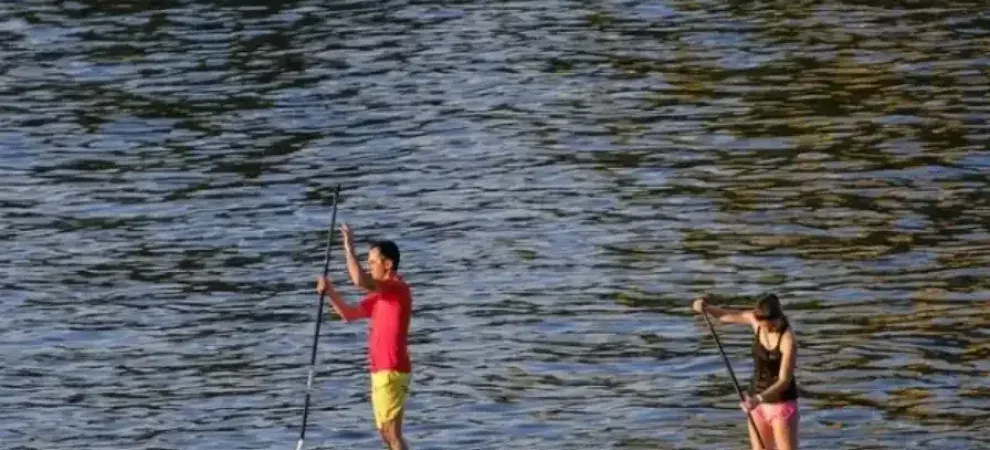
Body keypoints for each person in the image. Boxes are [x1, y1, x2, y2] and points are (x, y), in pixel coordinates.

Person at [316, 223, 413, 450]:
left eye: (372, 262)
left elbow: (359, 281)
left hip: (392, 368)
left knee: (393, 432)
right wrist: (330, 291)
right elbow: (348, 314)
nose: (369, 268)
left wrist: (348, 248)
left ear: (387, 264)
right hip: (379, 370)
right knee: (385, 433)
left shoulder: (396, 288)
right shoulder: (381, 296)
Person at [692, 293, 799, 450]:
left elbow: (784, 380)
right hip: (756, 404)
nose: (766, 328)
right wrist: (705, 308)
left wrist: (759, 399)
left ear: (778, 318)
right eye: (762, 325)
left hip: (781, 404)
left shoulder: (788, 339)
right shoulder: (756, 321)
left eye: (770, 325)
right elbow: (725, 315)